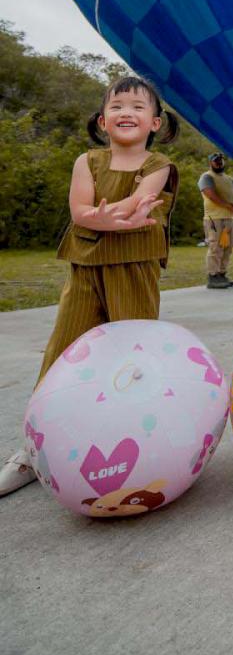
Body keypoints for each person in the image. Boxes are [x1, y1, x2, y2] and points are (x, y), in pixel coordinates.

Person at [0, 75, 179, 498]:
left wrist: (99, 215)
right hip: (84, 268)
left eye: (138, 107)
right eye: (117, 106)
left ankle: (142, 447)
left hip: (134, 269)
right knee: (60, 353)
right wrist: (101, 217)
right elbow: (80, 212)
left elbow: (136, 204)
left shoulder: (160, 166)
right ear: (102, 120)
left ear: (155, 123)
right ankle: (31, 451)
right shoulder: (87, 161)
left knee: (132, 362)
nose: (126, 113)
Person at [198, 152, 233, 289]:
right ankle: (213, 276)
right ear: (210, 162)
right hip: (214, 219)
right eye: (216, 161)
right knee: (215, 247)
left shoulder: (229, 179)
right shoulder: (206, 177)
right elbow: (210, 195)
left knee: (227, 247)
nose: (219, 163)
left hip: (229, 218)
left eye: (221, 160)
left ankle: (222, 274)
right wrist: (228, 205)